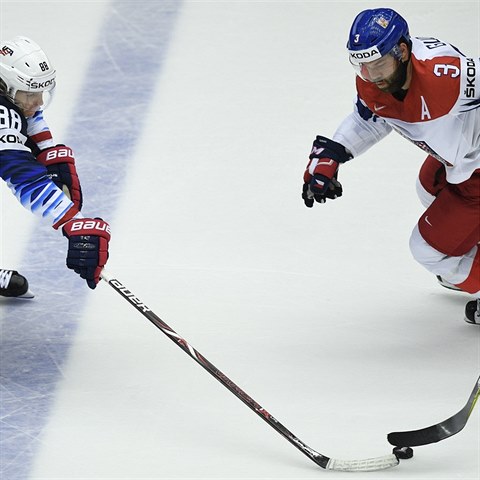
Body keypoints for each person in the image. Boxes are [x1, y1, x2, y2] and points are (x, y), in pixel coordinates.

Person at [302, 8, 480, 324]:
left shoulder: (446, 75)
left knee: (427, 250)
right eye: (362, 65)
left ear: (401, 50)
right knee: (428, 187)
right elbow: (373, 117)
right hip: (460, 162)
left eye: (378, 64)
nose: (371, 76)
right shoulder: (376, 81)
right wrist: (332, 155)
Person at [0, 36, 110, 298]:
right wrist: (72, 222)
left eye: (40, 93)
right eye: (31, 94)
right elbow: (23, 177)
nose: (38, 102)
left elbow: (31, 122)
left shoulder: (12, 98)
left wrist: (49, 154)